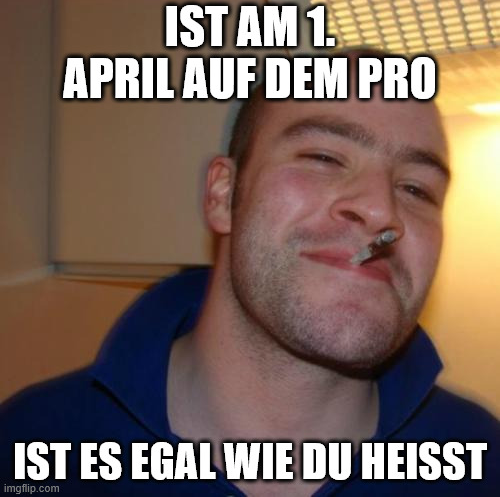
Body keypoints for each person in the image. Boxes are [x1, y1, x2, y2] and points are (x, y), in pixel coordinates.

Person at [1, 49, 499, 496]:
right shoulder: (30, 445)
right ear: (223, 195)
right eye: (324, 157)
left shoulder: (485, 461)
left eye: (416, 189)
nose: (381, 211)